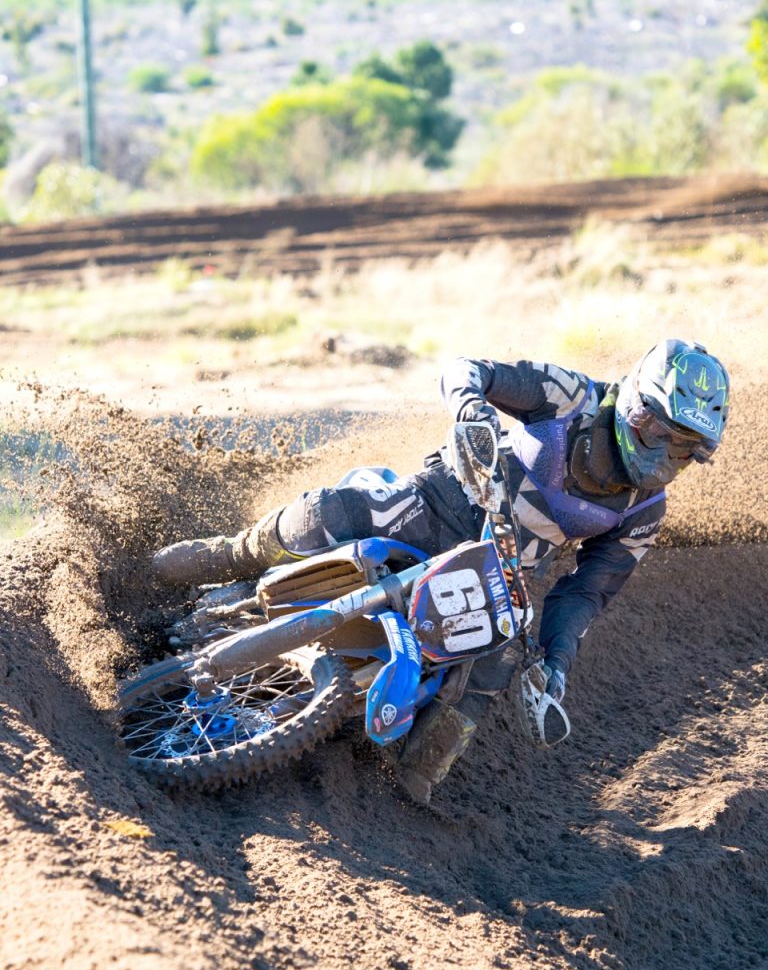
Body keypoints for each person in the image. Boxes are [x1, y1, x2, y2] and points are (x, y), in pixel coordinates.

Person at [153, 338, 730, 805]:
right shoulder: (568, 396)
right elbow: (466, 367)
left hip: (500, 571)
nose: (661, 454)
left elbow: (586, 593)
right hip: (443, 501)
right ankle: (225, 555)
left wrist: (557, 663)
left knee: (478, 687)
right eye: (657, 429)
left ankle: (392, 801)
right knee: (337, 515)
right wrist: (471, 411)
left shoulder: (643, 513)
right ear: (634, 400)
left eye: (683, 449)